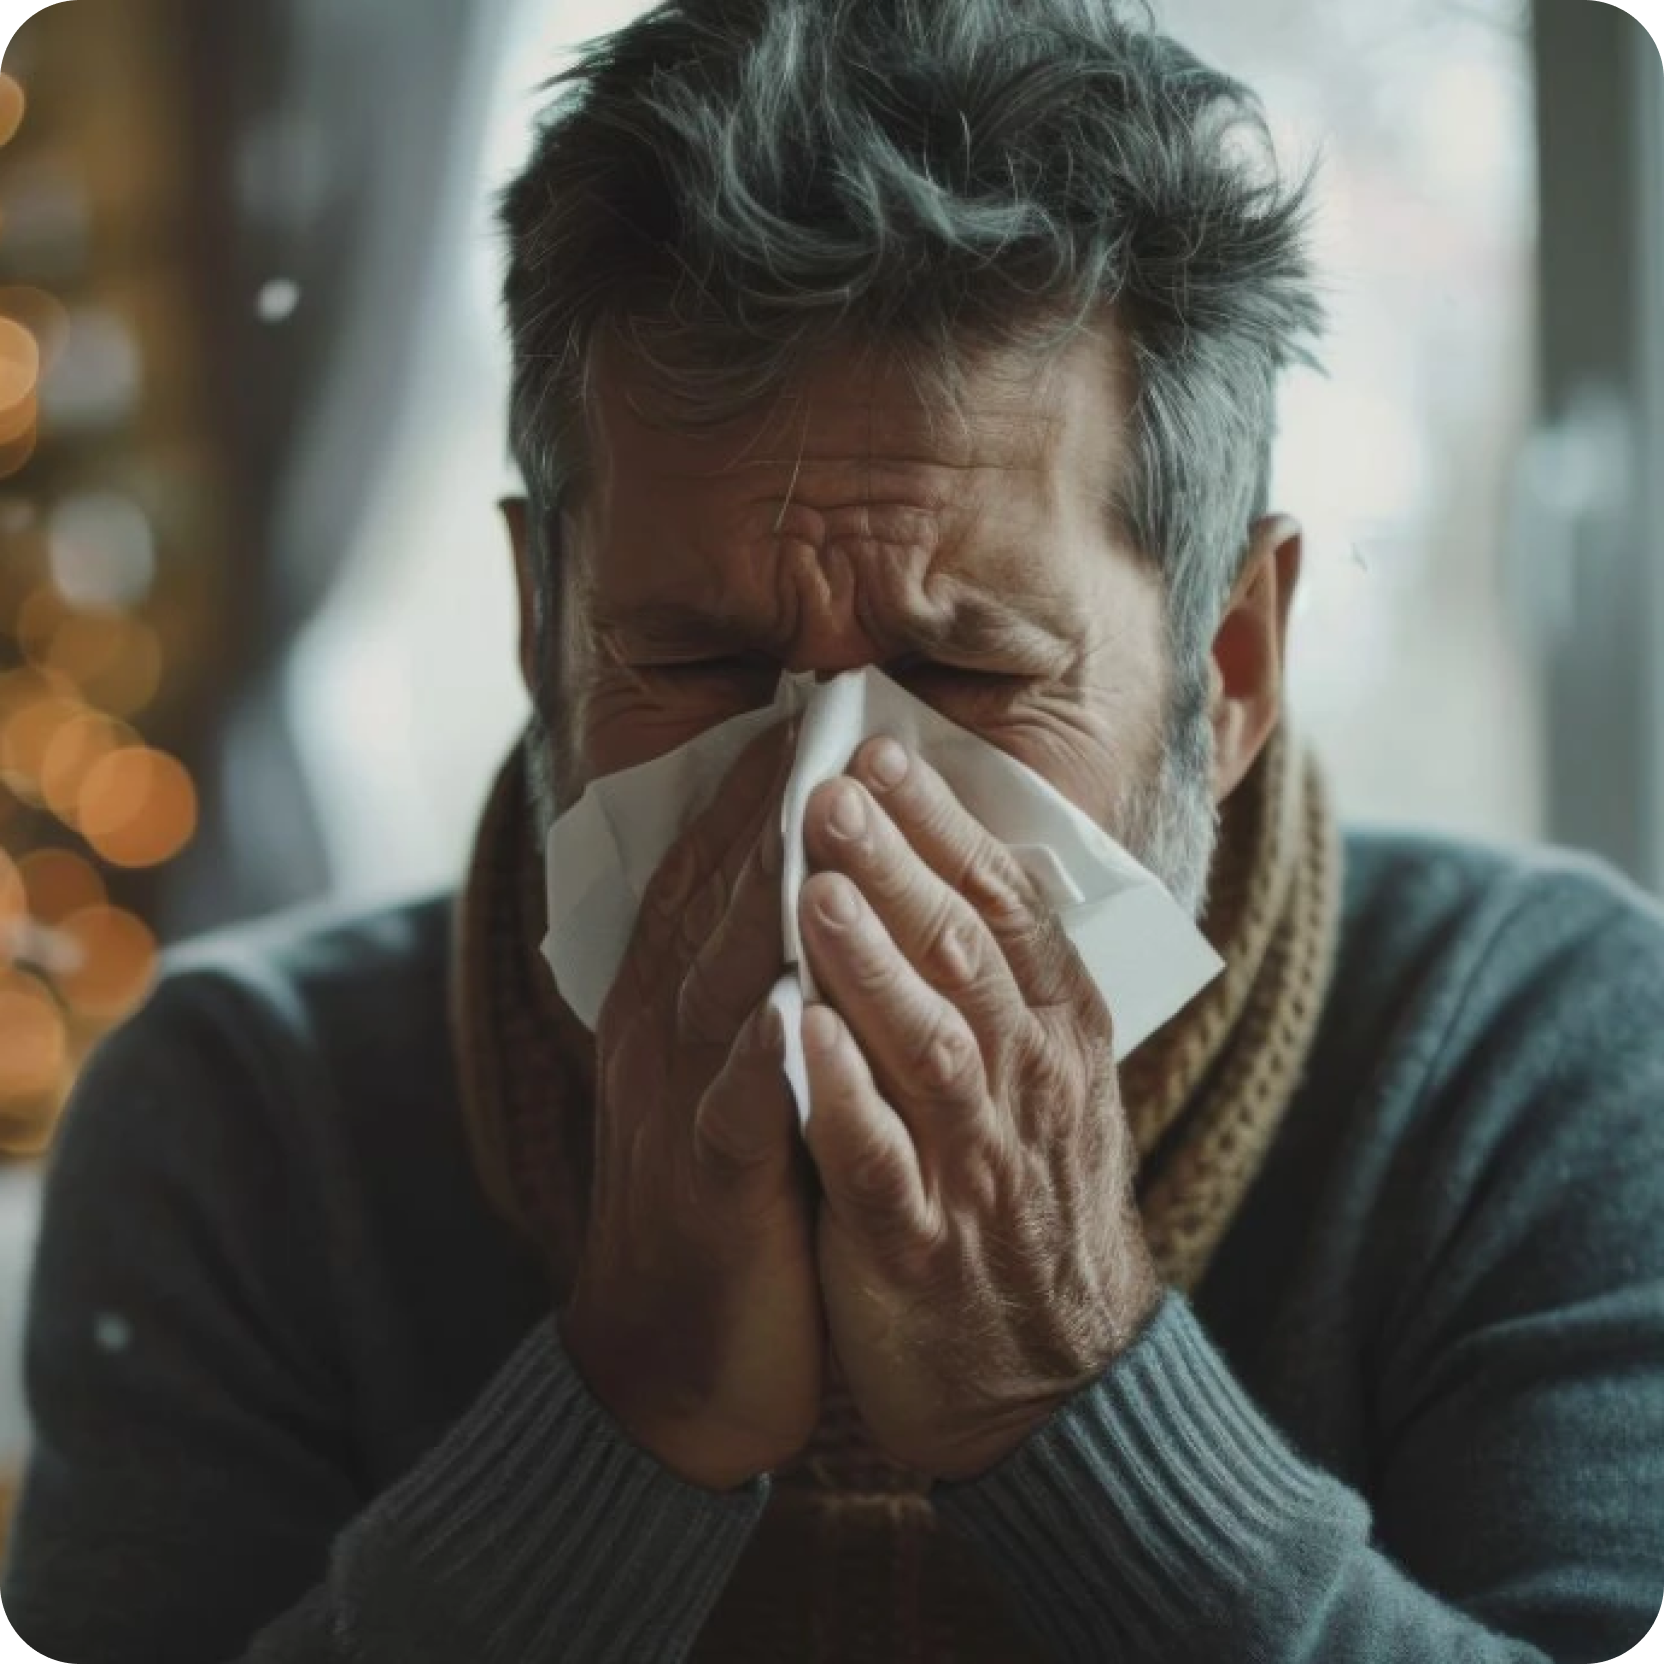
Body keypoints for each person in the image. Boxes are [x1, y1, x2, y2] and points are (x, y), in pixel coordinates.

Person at [4, 1, 1662, 1659]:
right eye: (697, 661)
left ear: (1227, 668)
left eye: (967, 668)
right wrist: (619, 1423)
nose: (819, 806)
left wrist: (1069, 1400)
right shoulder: (244, 1123)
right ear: (541, 626)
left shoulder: (1546, 1059)